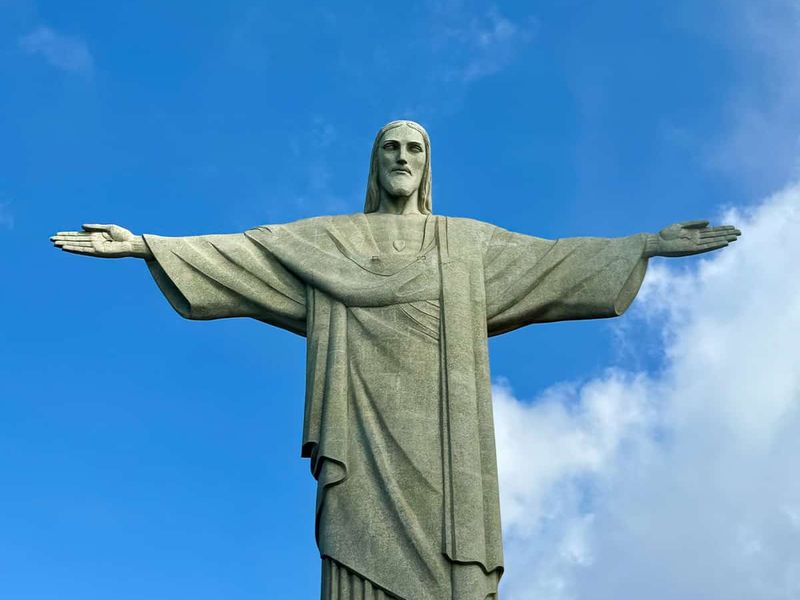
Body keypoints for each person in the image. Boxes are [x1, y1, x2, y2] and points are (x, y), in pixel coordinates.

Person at [51, 120, 740, 599]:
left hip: (447, 450)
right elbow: (250, 253)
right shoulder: (331, 241)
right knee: (358, 554)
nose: (403, 158)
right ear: (375, 164)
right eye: (390, 148)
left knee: (454, 571)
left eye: (415, 148)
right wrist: (147, 245)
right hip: (362, 436)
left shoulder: (464, 245)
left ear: (427, 164)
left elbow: (553, 260)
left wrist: (644, 243)